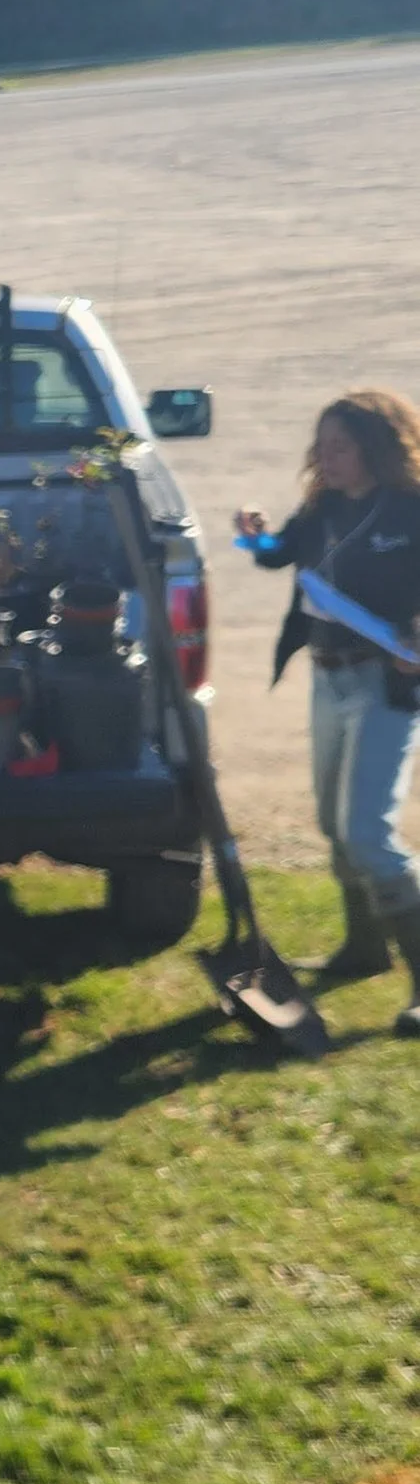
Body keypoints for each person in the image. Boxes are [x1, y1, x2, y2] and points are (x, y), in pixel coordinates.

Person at [237, 387, 420, 1029]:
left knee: (368, 832)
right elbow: (279, 557)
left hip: (386, 686)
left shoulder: (410, 508)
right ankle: (363, 950)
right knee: (332, 823)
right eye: (322, 444)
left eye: (340, 444)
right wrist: (253, 539)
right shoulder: (320, 508)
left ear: (376, 446)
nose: (326, 455)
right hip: (329, 680)